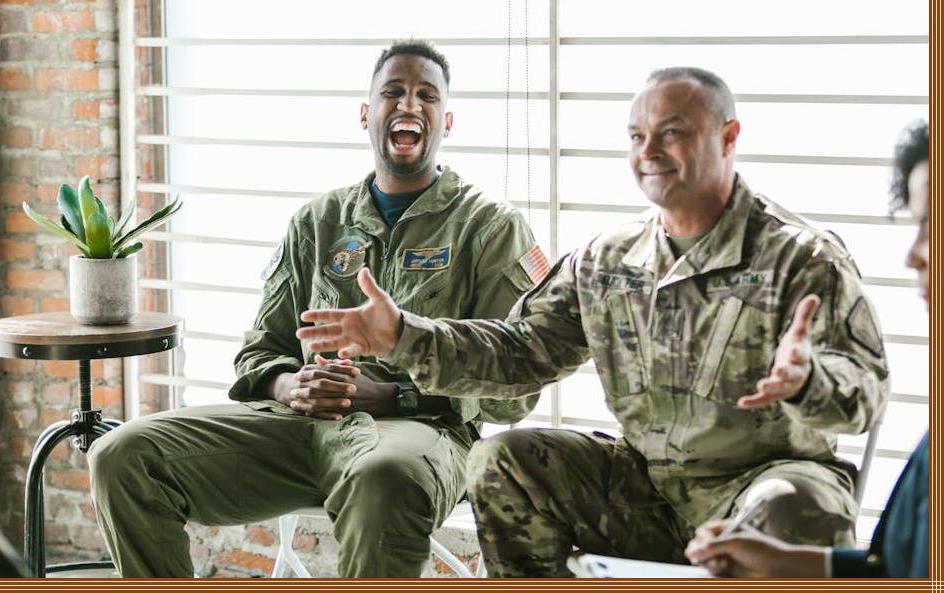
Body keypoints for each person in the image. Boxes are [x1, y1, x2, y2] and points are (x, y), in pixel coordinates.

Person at [296, 67, 891, 577]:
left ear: (728, 137)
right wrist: (403, 335)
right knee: (503, 461)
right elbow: (519, 352)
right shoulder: (608, 260)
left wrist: (810, 383)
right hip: (650, 491)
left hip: (763, 486)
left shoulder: (800, 258)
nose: (649, 151)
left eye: (672, 133)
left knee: (794, 502)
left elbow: (864, 398)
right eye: (637, 136)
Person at [87, 40, 544, 578]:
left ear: (446, 122)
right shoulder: (318, 221)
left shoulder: (489, 227)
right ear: (365, 114)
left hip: (420, 431)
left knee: (383, 479)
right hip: (297, 428)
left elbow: (515, 387)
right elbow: (261, 351)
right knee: (122, 455)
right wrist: (290, 386)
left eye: (427, 95)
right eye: (393, 92)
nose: (408, 104)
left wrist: (391, 393)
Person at [684, 119, 929, 578]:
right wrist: (784, 563)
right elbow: (902, 572)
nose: (912, 254)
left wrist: (811, 382)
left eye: (932, 227)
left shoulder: (804, 257)